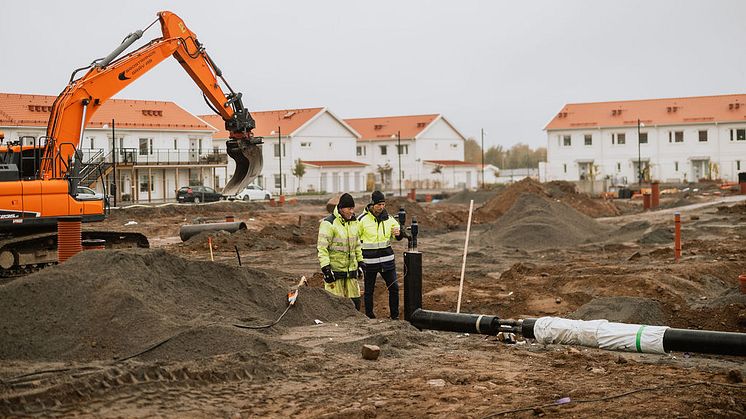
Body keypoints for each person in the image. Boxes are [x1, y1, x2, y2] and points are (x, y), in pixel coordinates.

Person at [358, 190, 404, 319]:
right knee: (368, 291)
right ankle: (369, 316)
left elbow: (398, 235)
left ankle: (394, 316)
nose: (381, 207)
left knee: (394, 288)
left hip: (387, 261)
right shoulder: (361, 220)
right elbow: (355, 240)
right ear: (372, 204)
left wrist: (398, 234)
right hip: (369, 262)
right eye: (379, 204)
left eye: (383, 204)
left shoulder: (389, 219)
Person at [317, 193, 363, 310]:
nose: (352, 211)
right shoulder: (329, 224)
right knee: (336, 307)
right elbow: (322, 248)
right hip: (335, 274)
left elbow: (357, 244)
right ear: (341, 208)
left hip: (351, 273)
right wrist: (326, 269)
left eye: (353, 208)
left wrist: (361, 262)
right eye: (349, 208)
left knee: (355, 304)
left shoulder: (354, 223)